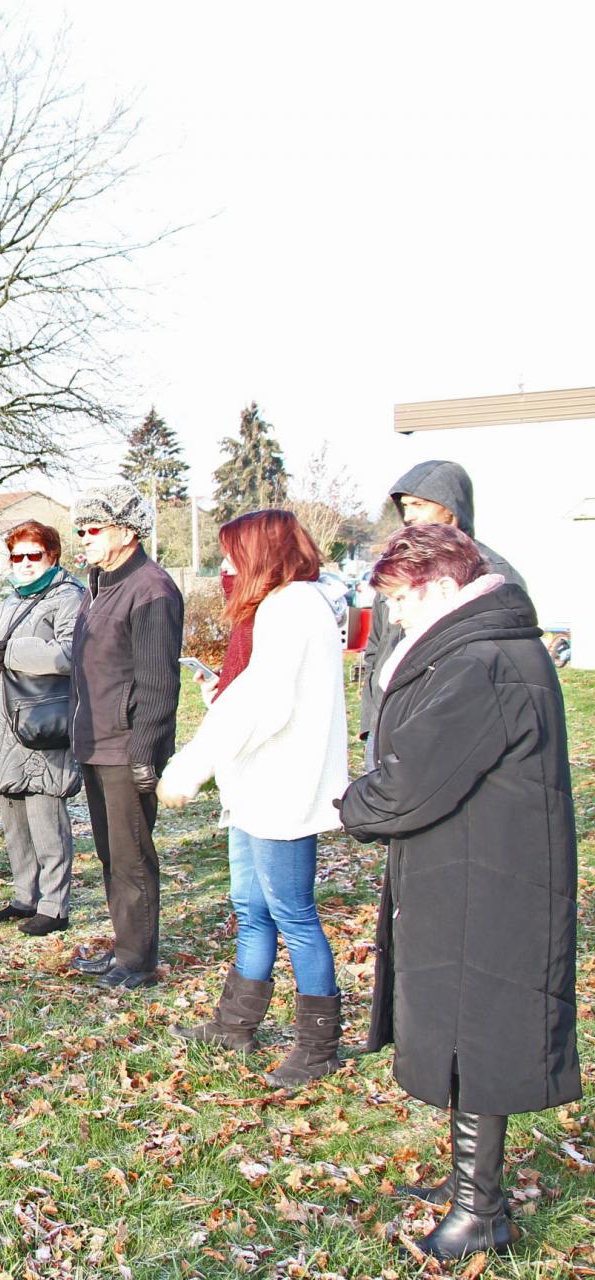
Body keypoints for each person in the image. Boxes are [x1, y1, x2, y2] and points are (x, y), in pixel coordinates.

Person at [338, 524, 579, 1263]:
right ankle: (470, 1189)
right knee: (463, 1031)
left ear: (441, 588)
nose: (396, 617)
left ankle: (482, 1210)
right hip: (471, 866)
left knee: (483, 1037)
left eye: (402, 601)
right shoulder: (481, 650)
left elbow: (416, 779)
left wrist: (352, 803)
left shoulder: (487, 663)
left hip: (494, 879)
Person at [159, 511, 349, 1087]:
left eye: (232, 555)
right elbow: (254, 692)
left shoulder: (291, 610)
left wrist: (191, 766)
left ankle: (319, 1046)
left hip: (282, 791)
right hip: (257, 789)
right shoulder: (280, 608)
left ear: (263, 554)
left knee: (293, 913)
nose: (224, 568)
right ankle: (236, 1021)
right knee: (252, 907)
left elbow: (263, 705)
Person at [64, 482, 183, 992]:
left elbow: (159, 684)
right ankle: (124, 945)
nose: (83, 538)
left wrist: (145, 755)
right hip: (94, 740)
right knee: (113, 854)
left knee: (133, 856)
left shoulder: (152, 589)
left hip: (127, 746)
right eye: (80, 530)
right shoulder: (99, 585)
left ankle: (139, 960)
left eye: (93, 529)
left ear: (128, 532)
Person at [359, 461, 524, 764]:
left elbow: (508, 664)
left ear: (451, 507)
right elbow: (377, 646)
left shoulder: (491, 572)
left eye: (419, 504)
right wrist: (371, 720)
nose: (409, 516)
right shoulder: (398, 565)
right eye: (405, 506)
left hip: (448, 728)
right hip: (386, 717)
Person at [0, 521, 84, 937]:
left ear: (52, 555)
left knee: (45, 814)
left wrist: (12, 651)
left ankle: (55, 904)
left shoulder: (69, 597)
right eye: (17, 556)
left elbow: (72, 654)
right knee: (14, 813)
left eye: (33, 555)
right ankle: (25, 895)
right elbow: (3, 654)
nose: (24, 564)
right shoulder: (13, 599)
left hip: (44, 723)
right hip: (8, 721)